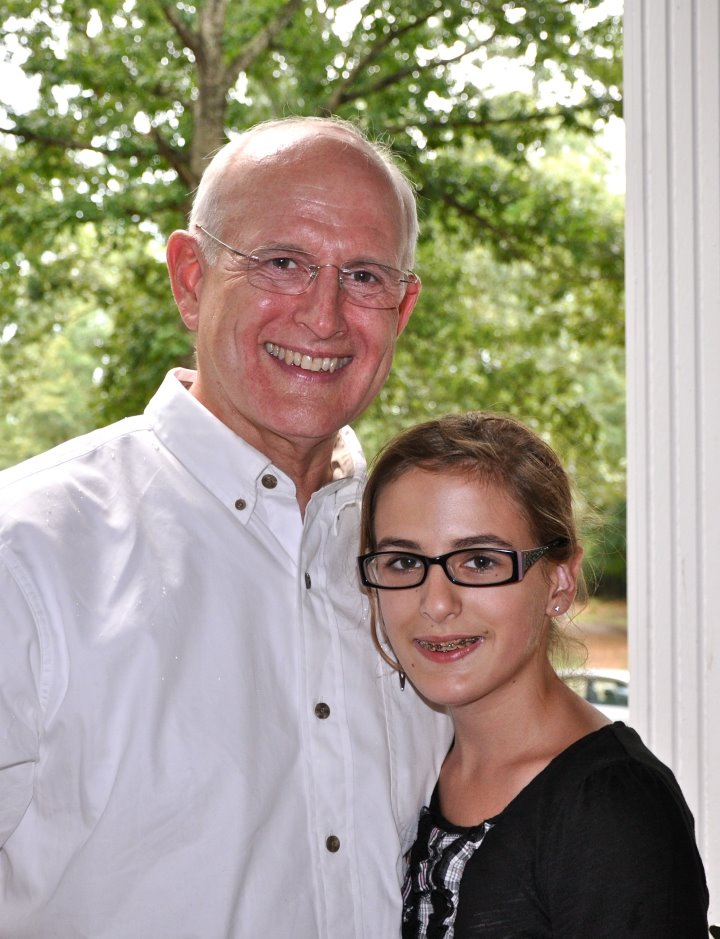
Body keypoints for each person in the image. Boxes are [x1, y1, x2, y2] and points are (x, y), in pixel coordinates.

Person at [0, 116, 452, 938]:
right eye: (282, 262)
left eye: (363, 276)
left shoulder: (436, 575)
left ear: (404, 307)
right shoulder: (25, 554)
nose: (324, 315)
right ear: (190, 279)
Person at [358, 412, 709, 938]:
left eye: (480, 562)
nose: (436, 604)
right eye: (404, 563)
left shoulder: (613, 808)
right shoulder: (417, 764)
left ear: (559, 583)